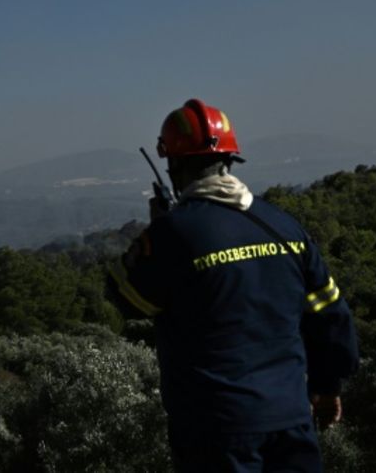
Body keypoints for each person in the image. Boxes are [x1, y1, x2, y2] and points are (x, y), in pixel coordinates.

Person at [105, 99, 359, 472]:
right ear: (229, 160)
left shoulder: (171, 234)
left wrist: (156, 232)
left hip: (216, 429)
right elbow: (332, 315)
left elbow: (127, 300)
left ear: (174, 165)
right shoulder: (283, 226)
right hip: (291, 418)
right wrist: (328, 385)